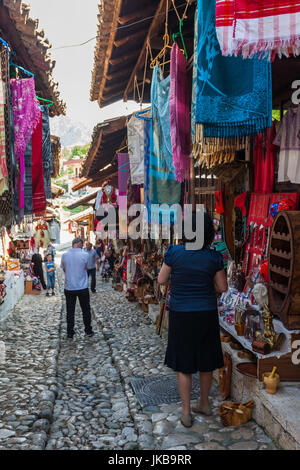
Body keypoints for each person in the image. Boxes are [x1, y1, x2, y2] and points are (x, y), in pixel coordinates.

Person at [158, 213, 228, 428]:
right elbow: (222, 288)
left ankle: (186, 412)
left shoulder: (175, 253)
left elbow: (161, 279)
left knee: (184, 364)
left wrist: (179, 280)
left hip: (181, 314)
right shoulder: (213, 257)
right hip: (206, 313)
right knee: (206, 361)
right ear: (208, 233)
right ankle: (204, 403)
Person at [61, 238, 94, 339]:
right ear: (79, 244)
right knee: (85, 310)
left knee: (70, 311)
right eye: (82, 244)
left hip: (69, 287)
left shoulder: (64, 255)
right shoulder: (85, 255)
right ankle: (88, 330)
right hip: (82, 286)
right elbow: (88, 267)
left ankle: (70, 333)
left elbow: (64, 269)